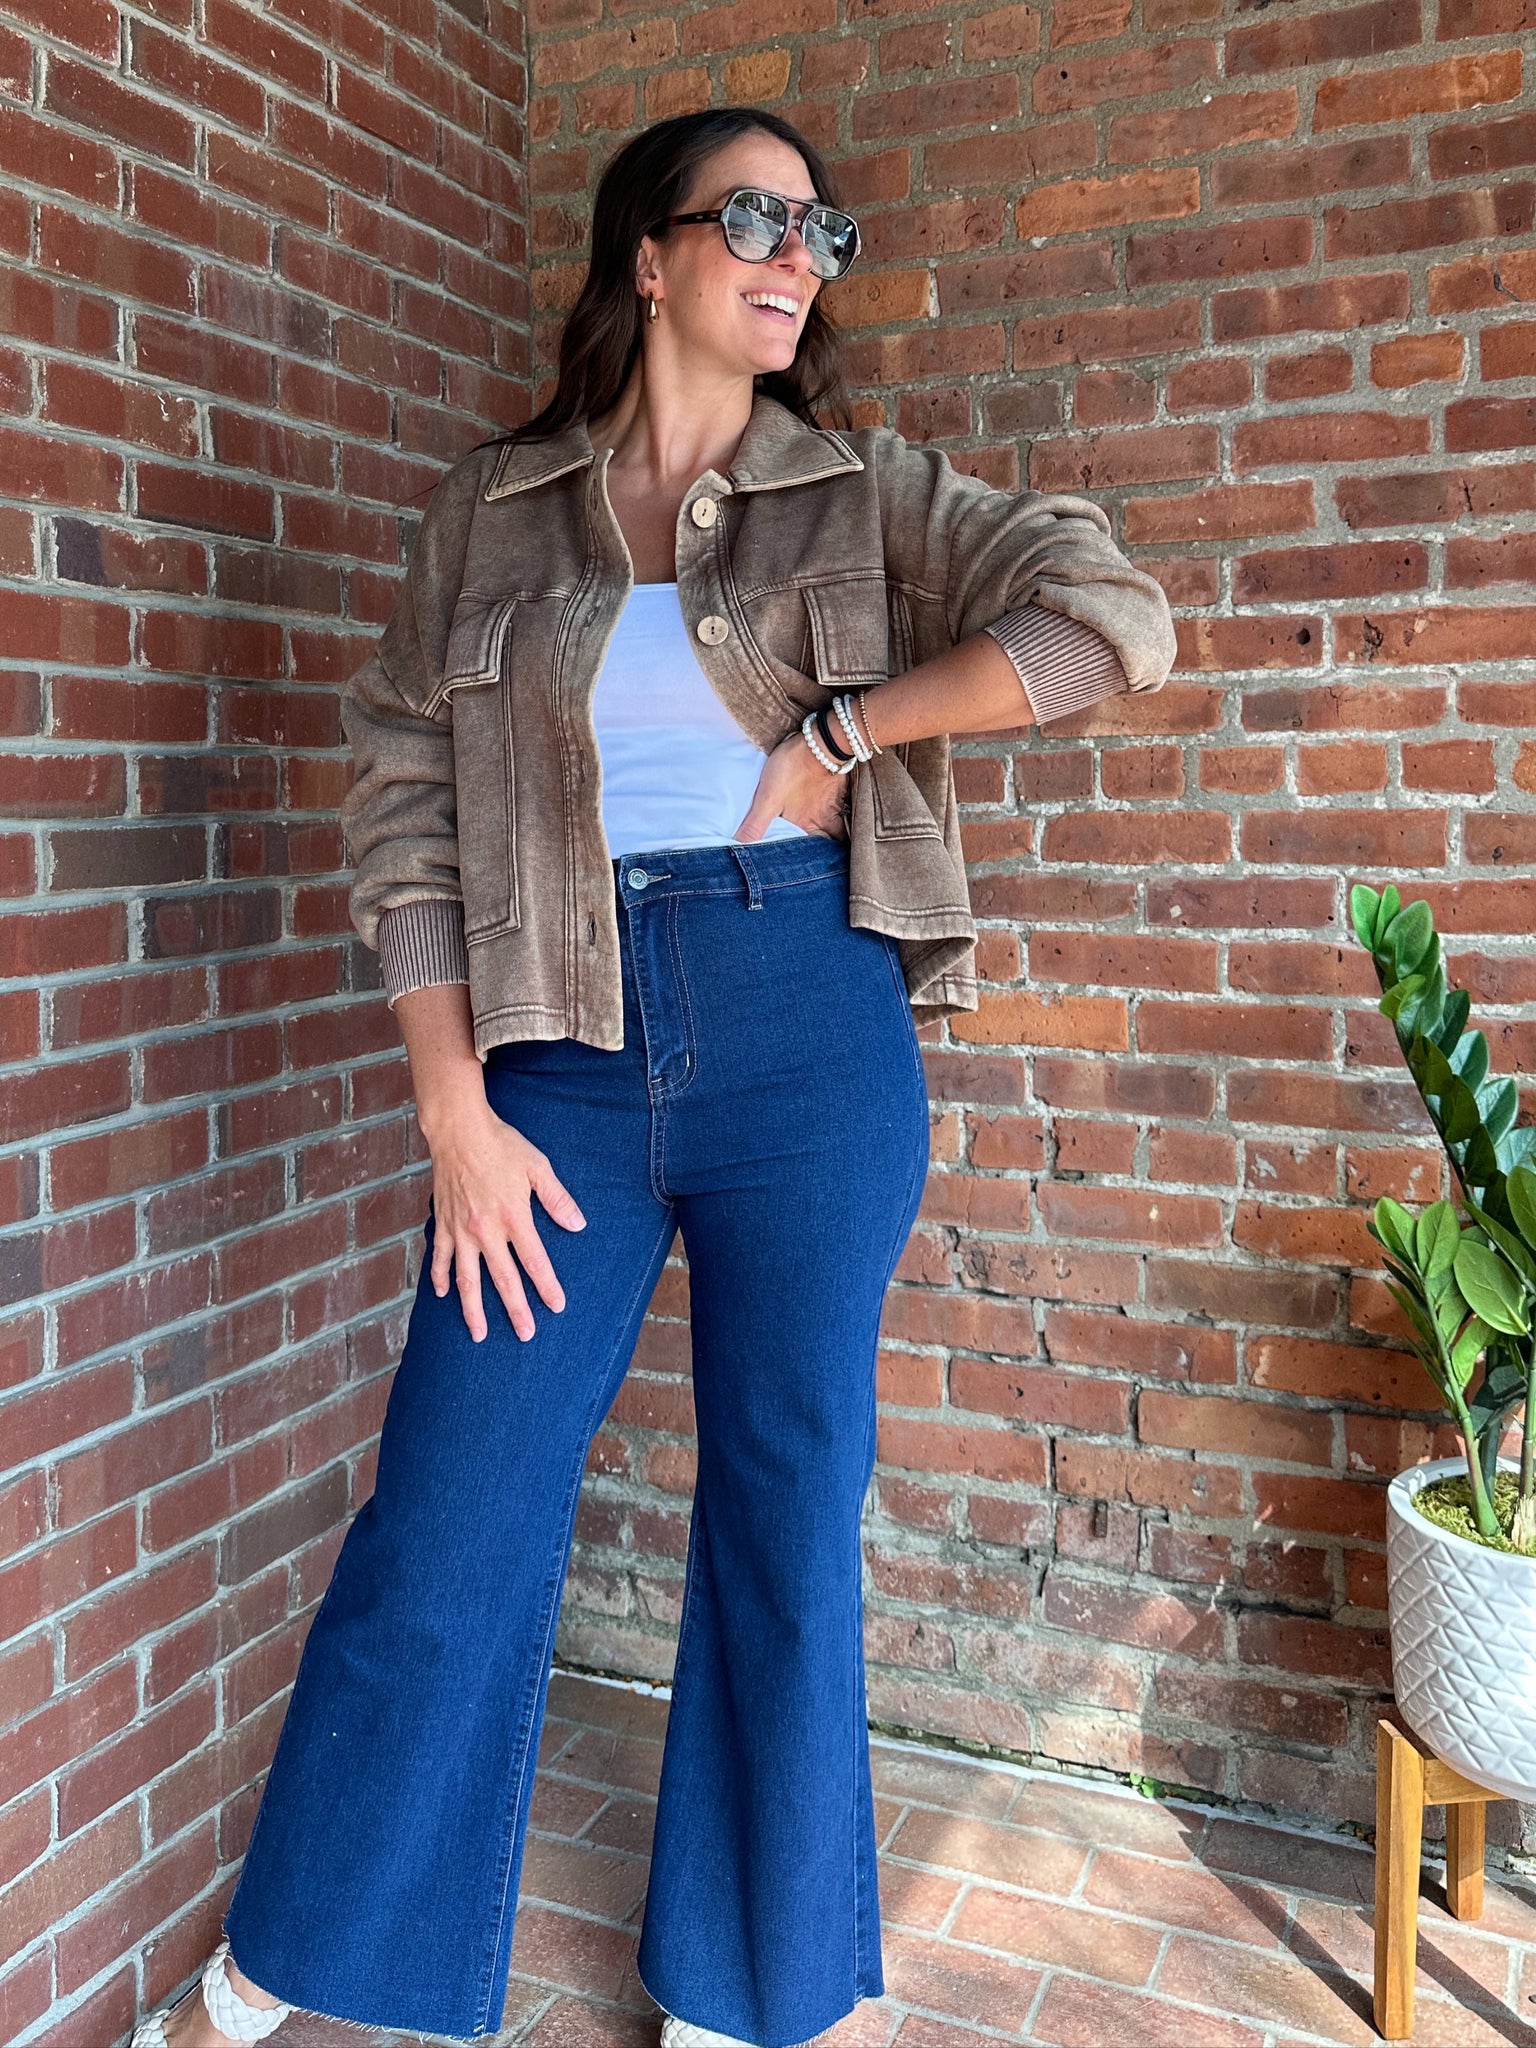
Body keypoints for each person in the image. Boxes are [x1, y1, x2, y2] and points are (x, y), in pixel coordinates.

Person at [132, 105, 1175, 2048]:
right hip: (562, 1046)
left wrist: (846, 732)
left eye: (819, 230)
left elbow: (1114, 621)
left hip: (807, 1024)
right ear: (650, 253)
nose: (796, 257)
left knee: (786, 1509)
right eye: (753, 217)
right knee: (451, 1501)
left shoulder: (864, 493)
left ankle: (752, 1990)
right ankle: (297, 1959)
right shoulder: (490, 513)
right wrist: (452, 1106)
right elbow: (405, 816)